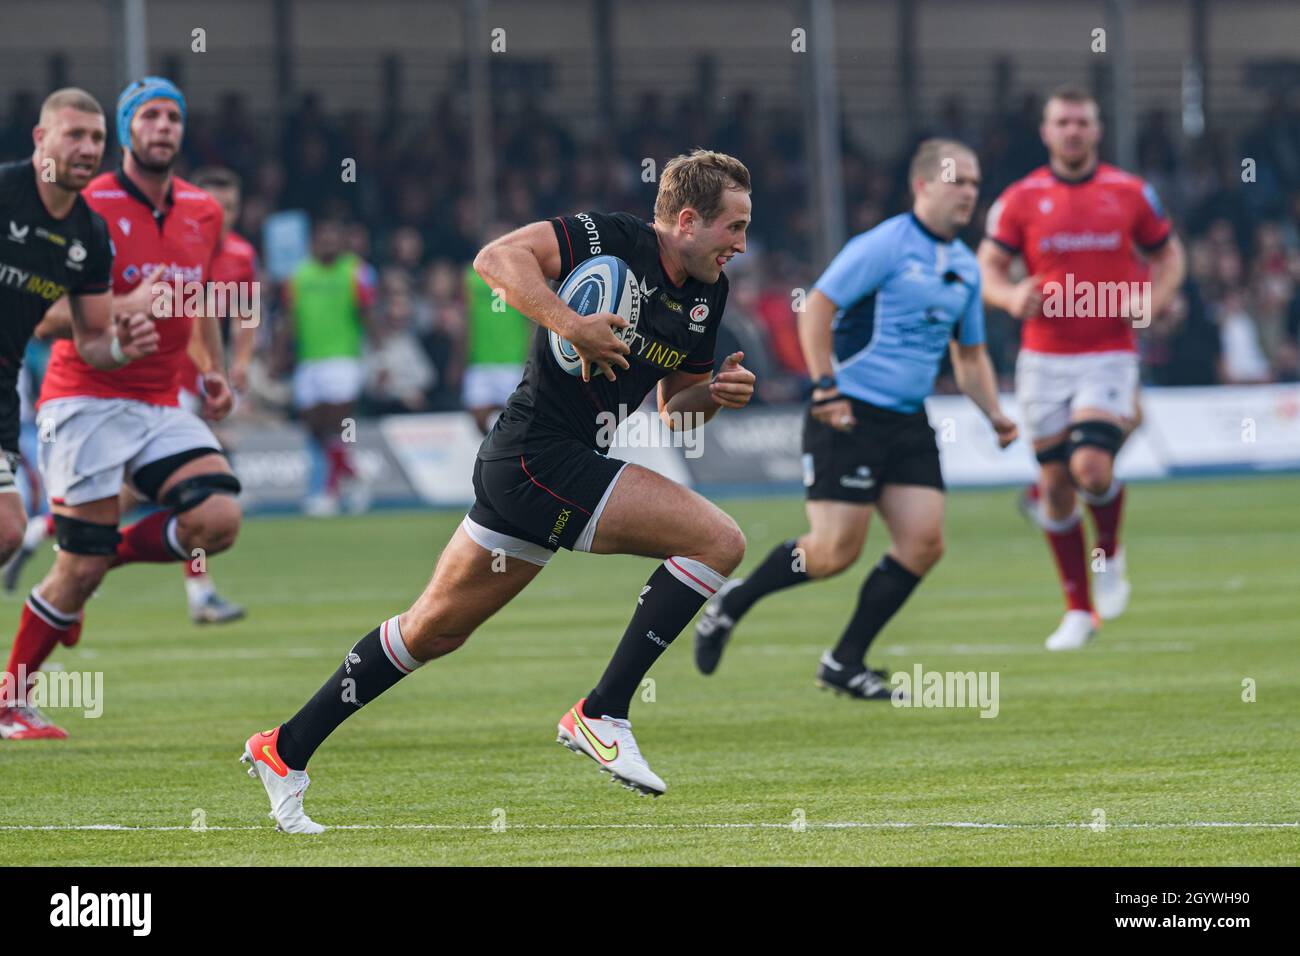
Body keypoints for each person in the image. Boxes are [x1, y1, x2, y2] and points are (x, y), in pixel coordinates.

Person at [241, 149, 754, 832]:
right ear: (687, 221)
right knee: (719, 541)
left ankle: (284, 747)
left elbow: (672, 411)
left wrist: (714, 395)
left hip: (537, 469)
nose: (742, 246)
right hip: (539, 458)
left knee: (432, 630)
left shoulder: (706, 291)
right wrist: (571, 325)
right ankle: (602, 711)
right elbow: (496, 258)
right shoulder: (611, 238)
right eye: (734, 228)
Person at [693, 139, 1017, 697]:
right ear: (922, 185)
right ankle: (732, 602)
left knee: (923, 544)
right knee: (832, 553)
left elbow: (969, 356)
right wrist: (825, 388)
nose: (968, 191)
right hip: (847, 415)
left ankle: (844, 662)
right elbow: (817, 307)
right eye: (956, 180)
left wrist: (995, 415)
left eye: (973, 182)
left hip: (908, 422)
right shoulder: (886, 245)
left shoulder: (965, 265)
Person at [1, 77, 241, 740]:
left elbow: (200, 303)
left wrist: (214, 373)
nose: (162, 127)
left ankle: (99, 555)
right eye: (148, 117)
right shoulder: (88, 205)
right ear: (129, 131)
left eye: (173, 117)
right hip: (85, 398)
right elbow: (48, 318)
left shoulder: (203, 212)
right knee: (70, 568)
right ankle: (9, 698)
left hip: (162, 399)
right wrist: (119, 319)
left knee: (217, 518)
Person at [978, 85, 1186, 649]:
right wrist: (1009, 296)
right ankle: (1078, 611)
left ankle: (1110, 554)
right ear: (1047, 132)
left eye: (1082, 122)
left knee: (1091, 468)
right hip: (1043, 358)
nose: (1072, 131)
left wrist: (1156, 298)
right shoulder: (1020, 199)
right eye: (1062, 122)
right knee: (1054, 487)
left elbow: (1168, 253)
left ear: (1096, 131)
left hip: (1108, 351)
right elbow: (989, 267)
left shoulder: (1131, 193)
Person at [0, 87, 160, 739]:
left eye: (96, 139)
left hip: (3, 386)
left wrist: (123, 344)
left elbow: (91, 336)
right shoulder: (4, 192)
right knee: (8, 530)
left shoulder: (88, 232)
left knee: (10, 533)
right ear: (40, 141)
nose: (87, 149)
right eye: (73, 136)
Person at [282, 216, 377, 516]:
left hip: (343, 359)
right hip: (309, 361)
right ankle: (355, 474)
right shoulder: (298, 276)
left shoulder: (355, 271)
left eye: (335, 237)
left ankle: (330, 493)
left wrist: (381, 352)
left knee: (336, 423)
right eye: (324, 237)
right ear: (313, 242)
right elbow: (290, 319)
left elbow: (367, 312)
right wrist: (278, 355)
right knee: (314, 427)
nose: (329, 243)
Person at [463, 224, 532, 434]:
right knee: (477, 418)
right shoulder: (470, 276)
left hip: (511, 360)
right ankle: (493, 452)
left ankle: (506, 458)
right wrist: (462, 358)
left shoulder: (523, 276)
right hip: (480, 359)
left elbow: (533, 320)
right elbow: (467, 318)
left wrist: (531, 356)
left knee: (518, 418)